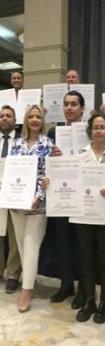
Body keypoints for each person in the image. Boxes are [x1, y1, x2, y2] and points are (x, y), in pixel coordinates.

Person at [73, 112, 105, 323]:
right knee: (86, 256)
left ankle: (104, 302)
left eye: (102, 127)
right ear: (90, 131)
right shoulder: (80, 155)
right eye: (95, 127)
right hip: (83, 214)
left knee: (103, 257)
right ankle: (89, 300)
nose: (99, 131)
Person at [10, 105, 54, 312]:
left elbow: (47, 177)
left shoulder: (48, 144)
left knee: (31, 246)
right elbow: (10, 172)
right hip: (17, 204)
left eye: (38, 116)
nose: (35, 119)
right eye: (31, 116)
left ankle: (26, 290)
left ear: (42, 121)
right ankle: (30, 280)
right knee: (21, 246)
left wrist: (38, 197)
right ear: (26, 120)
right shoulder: (16, 144)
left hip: (38, 206)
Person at [47, 90, 85, 308]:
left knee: (82, 243)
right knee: (63, 241)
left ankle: (84, 288)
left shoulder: (89, 131)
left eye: (74, 104)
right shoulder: (54, 132)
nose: (69, 108)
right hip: (61, 194)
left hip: (83, 194)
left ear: (82, 108)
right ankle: (66, 284)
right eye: (66, 104)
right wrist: (53, 157)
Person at [0, 105, 22, 293]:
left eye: (9, 116)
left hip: (16, 192)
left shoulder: (22, 141)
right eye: (2, 116)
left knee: (15, 235)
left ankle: (13, 274)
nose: (5, 118)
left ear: (15, 120)